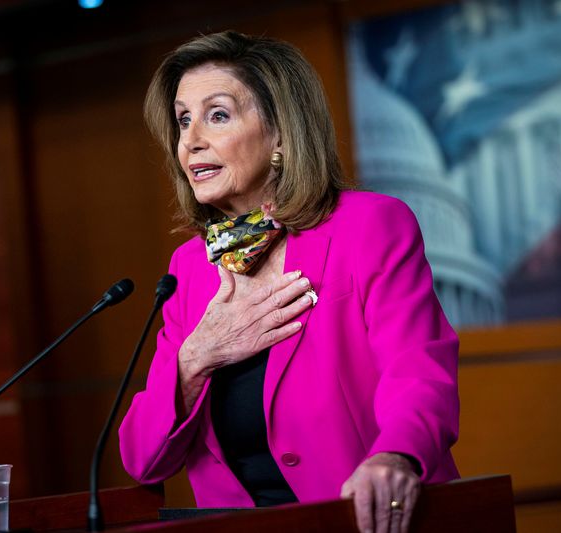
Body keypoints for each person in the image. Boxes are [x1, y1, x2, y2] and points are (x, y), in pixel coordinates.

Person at [118, 31, 459, 533]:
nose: (190, 140)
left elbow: (417, 372)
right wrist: (196, 358)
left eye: (217, 115)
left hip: (363, 521)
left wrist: (396, 456)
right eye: (182, 120)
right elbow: (142, 458)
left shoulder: (368, 227)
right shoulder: (188, 269)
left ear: (281, 134)